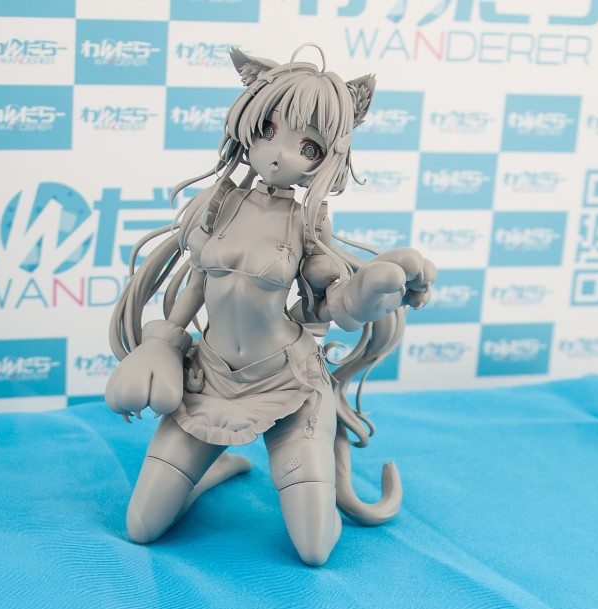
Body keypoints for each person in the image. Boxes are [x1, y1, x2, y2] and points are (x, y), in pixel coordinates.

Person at [105, 45, 436, 566]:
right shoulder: (217, 206)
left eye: (308, 145)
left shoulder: (307, 225)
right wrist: (162, 344)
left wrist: (373, 286)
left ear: (327, 156)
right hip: (208, 379)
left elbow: (330, 307)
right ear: (247, 125)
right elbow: (196, 283)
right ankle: (210, 466)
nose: (280, 153)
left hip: (289, 383)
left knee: (313, 548)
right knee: (142, 526)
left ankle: (314, 486)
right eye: (267, 130)